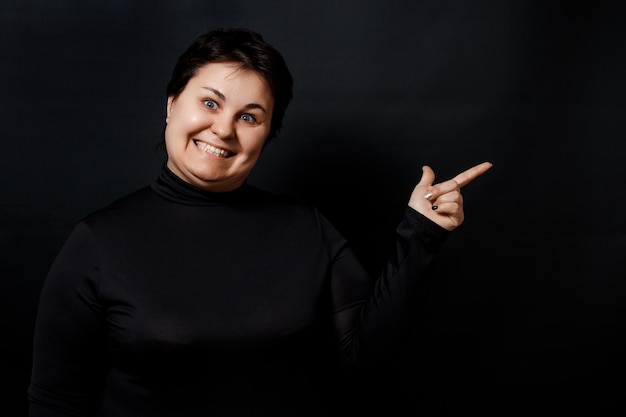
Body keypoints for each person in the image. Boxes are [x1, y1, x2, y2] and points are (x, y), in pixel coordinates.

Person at [28, 27, 492, 416]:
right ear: (172, 104)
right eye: (210, 103)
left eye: (249, 116)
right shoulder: (97, 242)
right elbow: (56, 399)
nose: (224, 129)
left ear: (267, 135)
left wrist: (421, 236)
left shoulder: (305, 229)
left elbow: (362, 360)